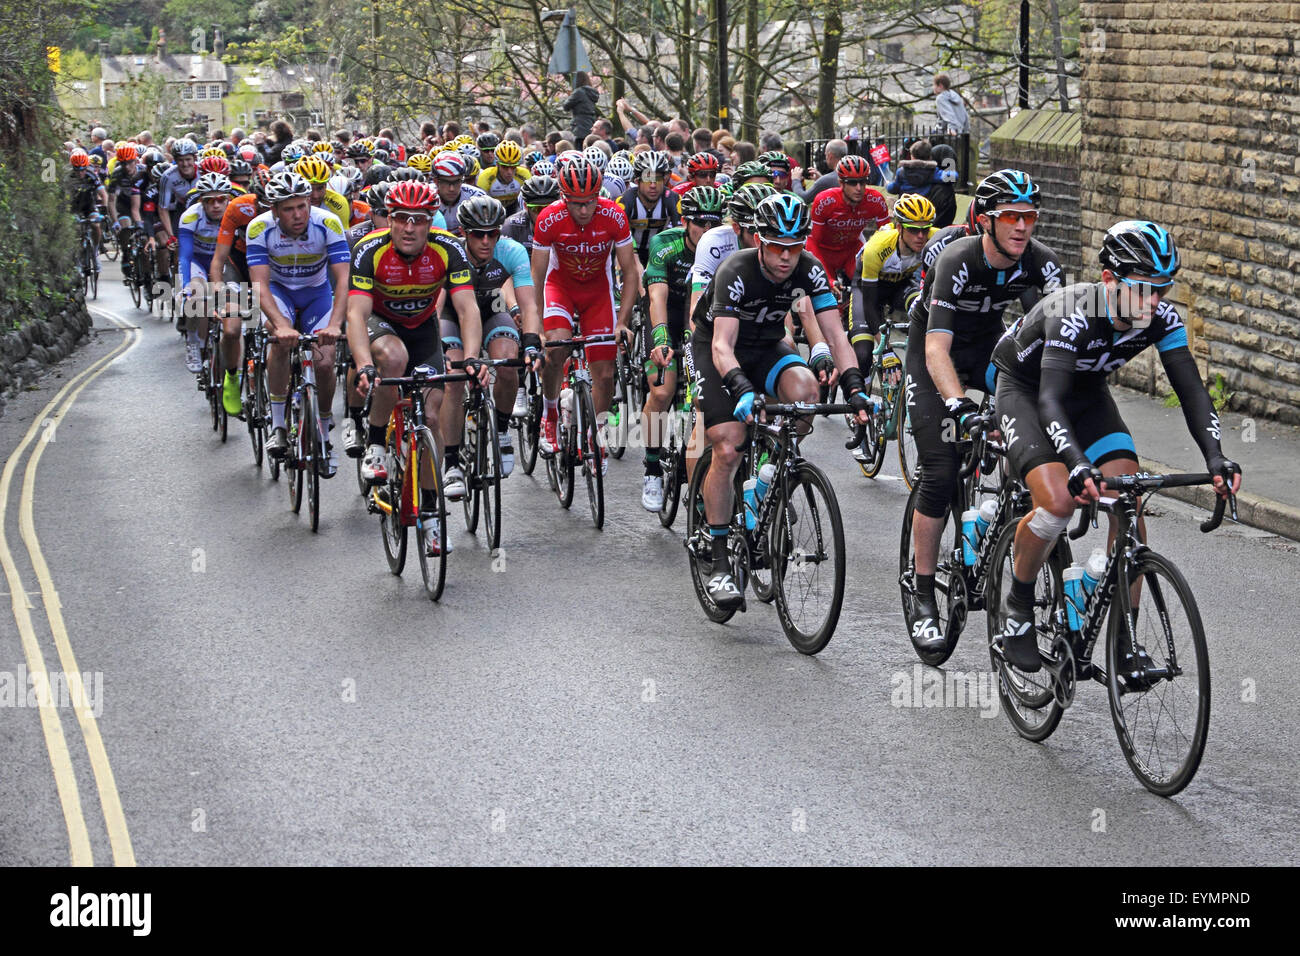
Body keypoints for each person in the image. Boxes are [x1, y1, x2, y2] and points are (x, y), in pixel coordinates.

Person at [989, 222, 1240, 671]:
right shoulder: (1074, 311)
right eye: (1143, 289)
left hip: (1085, 392)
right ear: (1109, 281)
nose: (1155, 302)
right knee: (1058, 503)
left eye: (1162, 289)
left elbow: (1193, 392)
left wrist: (1216, 457)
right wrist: (1078, 464)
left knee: (1127, 495)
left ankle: (1124, 641)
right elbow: (1049, 400)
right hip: (1026, 390)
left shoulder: (1162, 319)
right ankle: (1018, 609)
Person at [903, 170, 1063, 650]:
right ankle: (924, 589)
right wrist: (959, 406)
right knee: (941, 468)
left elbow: (1054, 342)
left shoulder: (1042, 263)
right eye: (1011, 217)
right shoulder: (958, 258)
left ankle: (1009, 545)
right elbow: (936, 353)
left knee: (1034, 452)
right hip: (935, 350)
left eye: (1029, 217)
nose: (1022, 227)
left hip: (990, 350)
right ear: (986, 222)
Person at [690, 193, 871, 608]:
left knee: (806, 393)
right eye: (778, 247)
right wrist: (742, 389)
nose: (788, 257)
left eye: (796, 246)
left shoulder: (809, 268)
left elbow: (836, 334)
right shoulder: (736, 269)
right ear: (759, 239)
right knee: (729, 444)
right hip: (717, 350)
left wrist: (856, 388)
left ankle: (769, 474)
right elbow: (721, 346)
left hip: (767, 346)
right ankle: (719, 559)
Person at [530, 155, 641, 467]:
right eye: (576, 203)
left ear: (598, 196)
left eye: (589, 202)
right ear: (564, 197)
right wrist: (537, 326)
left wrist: (622, 321)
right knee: (557, 348)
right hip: (560, 288)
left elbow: (630, 273)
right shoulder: (549, 219)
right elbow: (537, 276)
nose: (583, 210)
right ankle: (549, 415)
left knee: (605, 374)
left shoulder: (613, 216)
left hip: (597, 293)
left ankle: (597, 433)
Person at [245, 171, 351, 470]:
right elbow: (260, 286)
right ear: (274, 210)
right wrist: (279, 324)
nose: (297, 214)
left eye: (302, 206)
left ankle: (324, 427)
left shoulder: (328, 223)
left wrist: (335, 324)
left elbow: (343, 279)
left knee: (325, 361)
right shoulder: (258, 229)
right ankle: (278, 426)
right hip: (278, 294)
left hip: (317, 293)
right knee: (279, 344)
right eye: (288, 209)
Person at [638, 186, 725, 512]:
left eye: (714, 223)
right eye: (701, 223)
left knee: (706, 403)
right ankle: (651, 467)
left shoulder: (722, 245)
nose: (707, 231)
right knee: (662, 391)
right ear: (686, 221)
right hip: (667, 317)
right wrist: (661, 338)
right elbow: (656, 298)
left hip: (704, 321)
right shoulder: (666, 243)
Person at [887, 139, 957, 200]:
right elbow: (953, 176)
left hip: (906, 206)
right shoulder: (933, 172)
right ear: (930, 157)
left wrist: (888, 185)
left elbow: (893, 189)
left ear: (912, 156)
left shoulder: (901, 171)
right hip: (923, 207)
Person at [562, 71, 601, 142]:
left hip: (579, 126)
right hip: (590, 123)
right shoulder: (591, 93)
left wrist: (570, 96)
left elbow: (566, 106)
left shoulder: (579, 92)